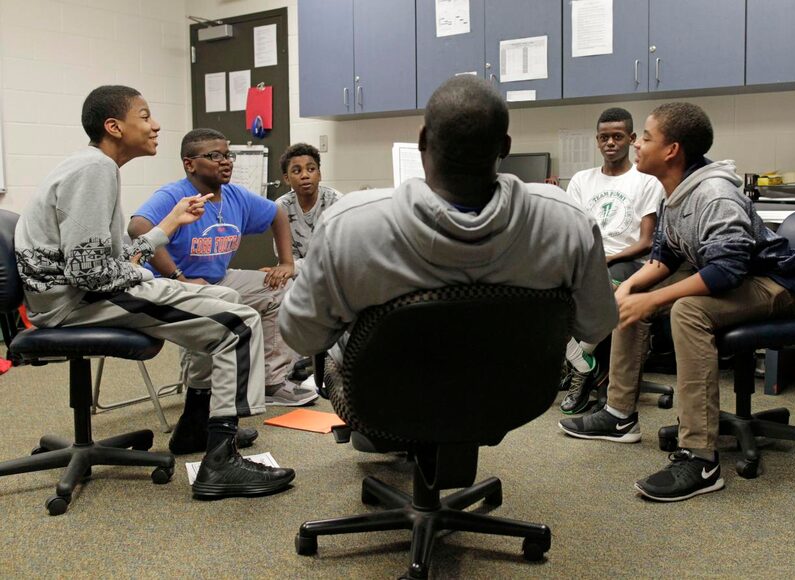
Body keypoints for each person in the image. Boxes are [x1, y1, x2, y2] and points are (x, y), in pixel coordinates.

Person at [14, 86, 295, 500]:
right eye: (144, 116)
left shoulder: (94, 166)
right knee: (239, 322)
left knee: (230, 302)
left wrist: (169, 227)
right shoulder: (95, 171)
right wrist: (155, 280)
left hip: (76, 294)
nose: (156, 125)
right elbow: (88, 272)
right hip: (74, 303)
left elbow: (101, 259)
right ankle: (219, 464)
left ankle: (203, 423)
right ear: (114, 127)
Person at [277, 76, 618, 389]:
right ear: (505, 146)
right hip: (511, 397)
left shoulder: (347, 225)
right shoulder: (567, 221)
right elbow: (596, 324)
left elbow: (301, 335)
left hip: (385, 397)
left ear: (423, 140)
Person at [559, 102, 795, 502]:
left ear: (672, 150)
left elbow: (727, 270)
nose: (637, 144)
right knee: (635, 294)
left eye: (645, 136)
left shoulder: (713, 195)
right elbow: (666, 257)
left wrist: (655, 298)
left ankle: (701, 457)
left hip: (774, 285)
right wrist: (629, 290)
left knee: (687, 311)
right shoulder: (673, 192)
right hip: (732, 274)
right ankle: (619, 416)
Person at [128, 129, 319, 423]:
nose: (225, 162)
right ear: (189, 164)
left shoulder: (236, 196)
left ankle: (272, 381)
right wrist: (179, 277)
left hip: (218, 280)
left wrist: (286, 263)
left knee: (280, 290)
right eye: (214, 156)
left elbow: (276, 215)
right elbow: (138, 228)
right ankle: (200, 401)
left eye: (227, 155)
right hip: (169, 286)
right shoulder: (174, 194)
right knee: (213, 306)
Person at [559, 107, 664, 415]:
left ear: (631, 139)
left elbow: (646, 242)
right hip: (589, 260)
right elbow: (571, 230)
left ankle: (581, 367)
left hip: (629, 263)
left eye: (618, 137)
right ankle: (581, 363)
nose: (610, 143)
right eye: (604, 137)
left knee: (610, 280)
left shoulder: (645, 180)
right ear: (597, 140)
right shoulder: (581, 180)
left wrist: (605, 258)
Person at [276, 143, 342, 277]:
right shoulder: (281, 207)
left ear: (319, 174)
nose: (305, 175)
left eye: (311, 169)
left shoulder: (336, 202)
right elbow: (286, 258)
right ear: (287, 178)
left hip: (332, 274)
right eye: (297, 171)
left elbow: (335, 255)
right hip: (298, 276)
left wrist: (292, 268)